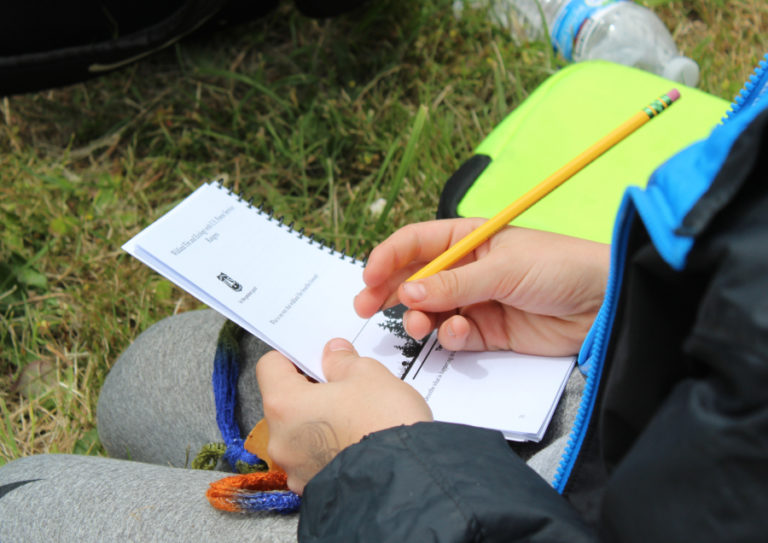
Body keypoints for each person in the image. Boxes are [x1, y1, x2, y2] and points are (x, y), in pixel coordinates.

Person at [2, 61, 768, 541]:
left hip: (469, 508)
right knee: (153, 374)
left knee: (22, 508)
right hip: (602, 436)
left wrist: (387, 461)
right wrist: (613, 302)